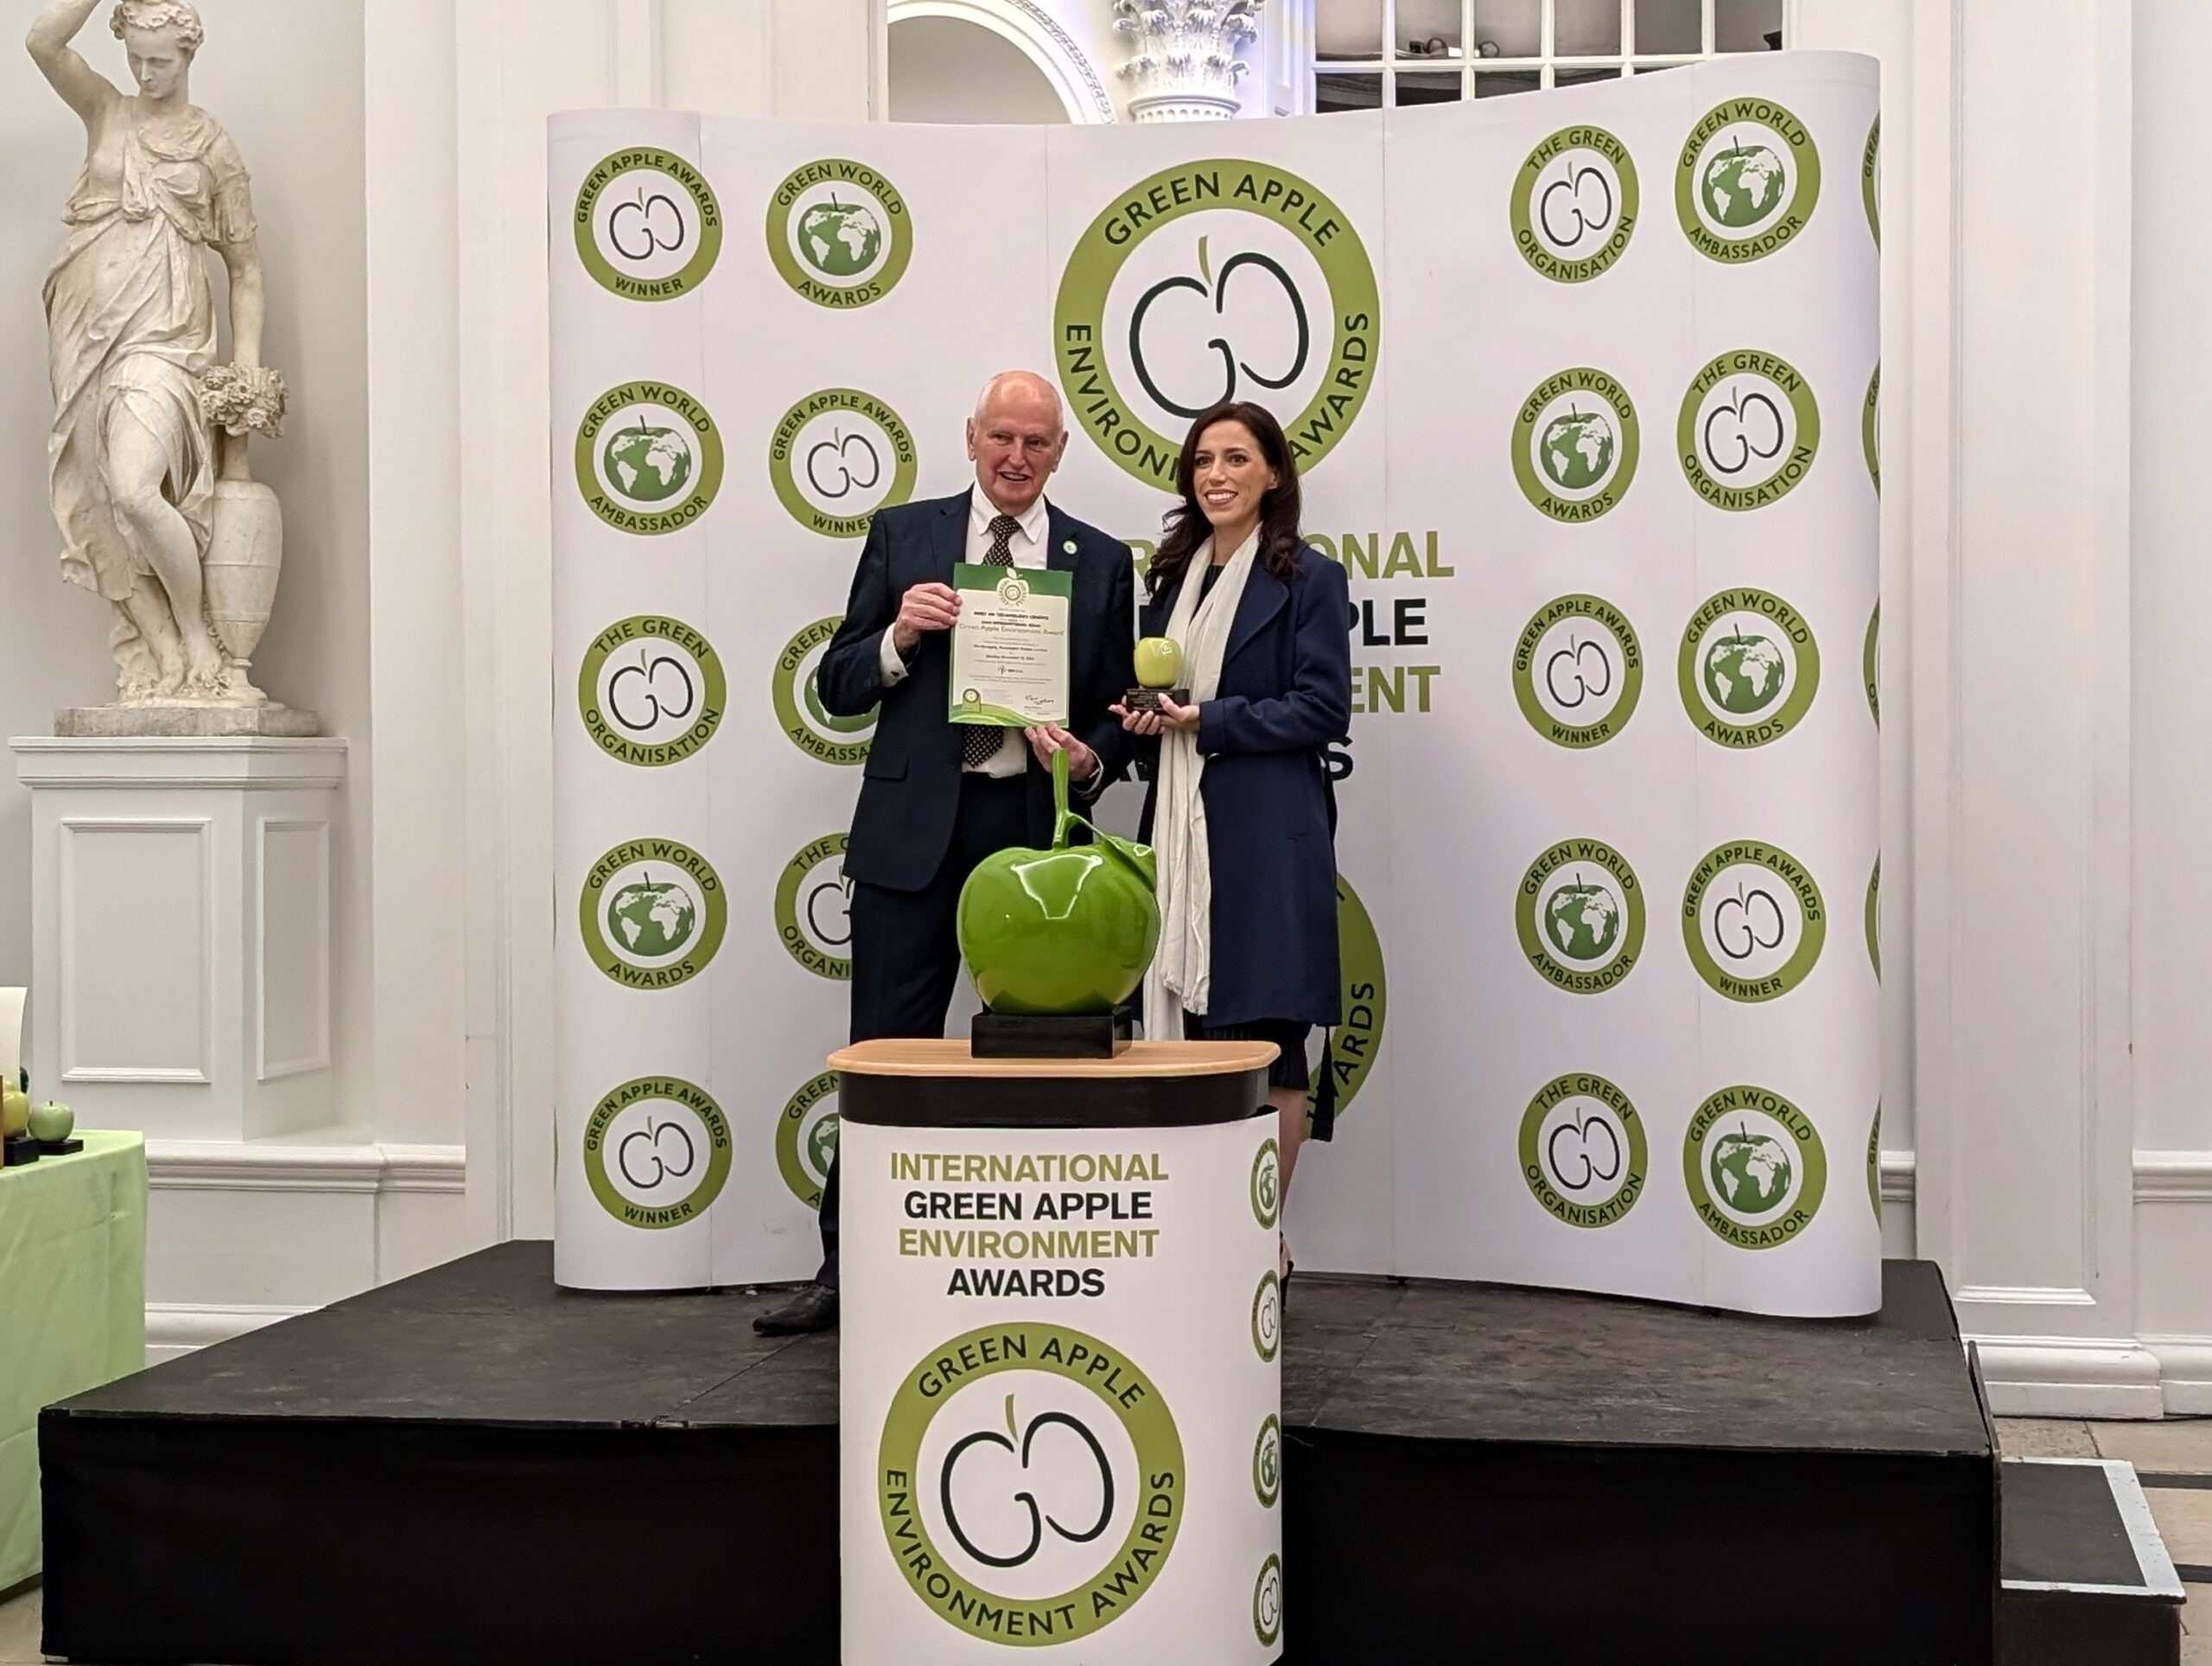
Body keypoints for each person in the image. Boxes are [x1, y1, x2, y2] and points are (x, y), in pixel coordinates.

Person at [753, 371, 1136, 1336]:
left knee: (1045, 1064)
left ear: (1060, 452)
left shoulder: (1098, 561)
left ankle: (1040, 1265)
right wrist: (898, 636)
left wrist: (1088, 756)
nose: (1016, 457)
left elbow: (1114, 709)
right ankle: (847, 1271)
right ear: (971, 438)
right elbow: (838, 683)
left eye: (1036, 442)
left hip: (1034, 840)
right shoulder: (906, 536)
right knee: (885, 1054)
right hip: (913, 834)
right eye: (1001, 436)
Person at [1115, 401, 1351, 1285]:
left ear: (1274, 473)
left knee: (1269, 1043)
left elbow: (1322, 708)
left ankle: (1262, 1243)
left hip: (1266, 842)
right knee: (1187, 1045)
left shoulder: (1310, 579)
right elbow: (1160, 708)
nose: (1216, 474)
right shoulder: (1170, 579)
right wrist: (1140, 723)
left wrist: (1207, 719)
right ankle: (1195, 1245)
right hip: (1180, 834)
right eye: (1204, 459)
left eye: (1237, 458)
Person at [29, 0, 270, 701]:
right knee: (95, 496)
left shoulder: (214, 148)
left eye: (158, 61)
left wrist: (246, 370)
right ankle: (162, 652)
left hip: (166, 336)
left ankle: (196, 634)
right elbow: (43, 43)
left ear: (189, 55)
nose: (144, 73)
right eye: (134, 58)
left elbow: (246, 270)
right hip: (82, 329)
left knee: (135, 488)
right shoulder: (108, 111)